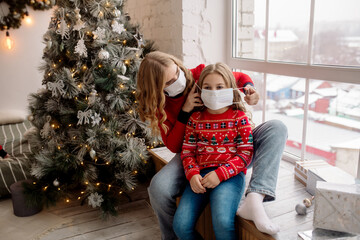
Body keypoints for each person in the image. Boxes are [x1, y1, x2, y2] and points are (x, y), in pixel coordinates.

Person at [136, 51, 287, 239]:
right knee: (159, 188)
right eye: (169, 82)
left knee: (276, 127)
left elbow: (237, 77)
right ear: (157, 89)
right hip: (197, 152)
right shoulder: (161, 105)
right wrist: (185, 112)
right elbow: (176, 147)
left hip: (233, 148)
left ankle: (255, 198)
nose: (177, 80)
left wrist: (249, 88)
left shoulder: (198, 74)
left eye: (176, 72)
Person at [173, 63, 253, 240]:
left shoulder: (239, 117)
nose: (214, 91)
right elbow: (187, 152)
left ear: (230, 89)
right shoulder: (195, 119)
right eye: (208, 87)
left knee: (223, 223)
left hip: (230, 176)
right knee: (180, 226)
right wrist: (192, 174)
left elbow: (246, 153)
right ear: (200, 90)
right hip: (200, 176)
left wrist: (220, 174)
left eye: (220, 87)